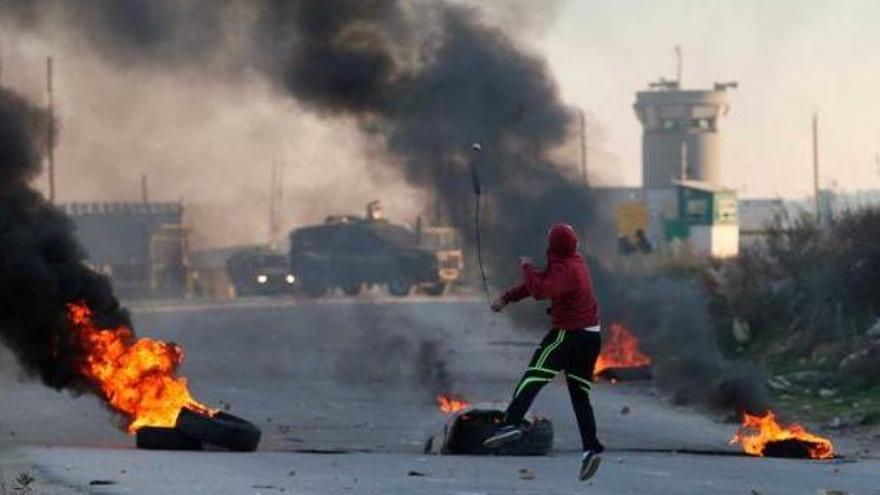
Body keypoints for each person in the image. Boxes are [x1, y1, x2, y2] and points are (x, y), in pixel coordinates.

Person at [485, 223, 604, 481]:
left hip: (567, 335)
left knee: (533, 377)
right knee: (580, 396)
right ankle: (591, 448)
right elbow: (542, 283)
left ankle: (510, 424)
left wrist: (526, 265)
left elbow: (540, 289)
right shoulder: (575, 261)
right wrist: (507, 298)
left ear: (552, 245)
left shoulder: (565, 268)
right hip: (591, 336)